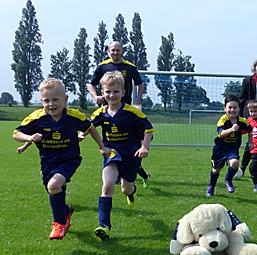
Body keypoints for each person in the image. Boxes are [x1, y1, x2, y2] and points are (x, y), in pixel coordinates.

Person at [13, 78, 109, 240]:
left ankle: (59, 223)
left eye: (55, 100)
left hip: (68, 159)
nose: (51, 104)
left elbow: (90, 127)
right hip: (48, 162)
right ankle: (66, 211)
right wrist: (28, 138)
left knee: (54, 185)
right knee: (53, 189)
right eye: (46, 101)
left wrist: (101, 146)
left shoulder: (73, 116)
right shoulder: (37, 118)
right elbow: (16, 134)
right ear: (41, 101)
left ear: (65, 99)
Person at [90, 71, 154, 240]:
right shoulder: (100, 113)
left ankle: (132, 192)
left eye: (116, 91)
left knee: (126, 189)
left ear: (123, 93)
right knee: (107, 186)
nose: (112, 95)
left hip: (131, 155)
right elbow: (89, 126)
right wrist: (81, 135)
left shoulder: (133, 112)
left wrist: (144, 147)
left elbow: (148, 130)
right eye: (108, 92)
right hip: (111, 154)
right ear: (102, 93)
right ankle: (104, 225)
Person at [88, 40, 151, 188]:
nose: (115, 52)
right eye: (112, 50)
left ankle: (134, 174)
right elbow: (91, 84)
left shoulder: (129, 67)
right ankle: (119, 173)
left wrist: (138, 101)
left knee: (130, 148)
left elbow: (139, 83)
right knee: (115, 145)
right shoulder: (102, 67)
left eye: (118, 50)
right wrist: (95, 96)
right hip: (108, 113)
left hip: (127, 112)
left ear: (122, 51)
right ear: (108, 51)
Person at [206, 94, 253, 197]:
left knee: (235, 163)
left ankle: (228, 179)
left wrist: (250, 142)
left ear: (239, 108)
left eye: (235, 107)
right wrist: (231, 129)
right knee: (216, 170)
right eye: (230, 107)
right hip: (220, 149)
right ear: (225, 108)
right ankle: (211, 187)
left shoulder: (242, 121)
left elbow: (250, 130)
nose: (232, 110)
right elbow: (221, 134)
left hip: (232, 148)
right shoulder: (223, 120)